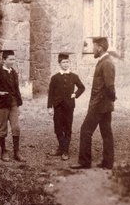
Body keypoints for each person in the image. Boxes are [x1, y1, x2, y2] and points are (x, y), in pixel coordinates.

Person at [71, 36, 116, 170]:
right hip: (104, 105)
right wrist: (110, 101)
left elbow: (109, 86)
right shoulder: (104, 61)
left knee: (85, 130)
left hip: (99, 106)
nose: (92, 50)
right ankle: (108, 163)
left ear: (100, 48)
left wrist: (108, 100)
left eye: (94, 47)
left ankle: (84, 162)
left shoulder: (106, 63)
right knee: (106, 133)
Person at [47, 53, 86, 160]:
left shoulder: (74, 76)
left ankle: (65, 151)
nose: (65, 64)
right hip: (58, 106)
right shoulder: (55, 78)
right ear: (59, 63)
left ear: (69, 63)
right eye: (63, 62)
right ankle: (61, 148)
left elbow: (82, 87)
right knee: (58, 128)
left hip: (69, 106)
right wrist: (49, 107)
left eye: (67, 62)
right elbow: (50, 93)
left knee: (67, 127)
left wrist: (75, 94)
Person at [0, 49, 24, 162]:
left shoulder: (14, 72)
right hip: (2, 105)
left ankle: (17, 152)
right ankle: (3, 151)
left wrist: (19, 105)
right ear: (4, 60)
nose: (13, 61)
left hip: (13, 103)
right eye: (10, 59)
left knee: (16, 128)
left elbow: (17, 89)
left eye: (14, 59)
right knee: (3, 129)